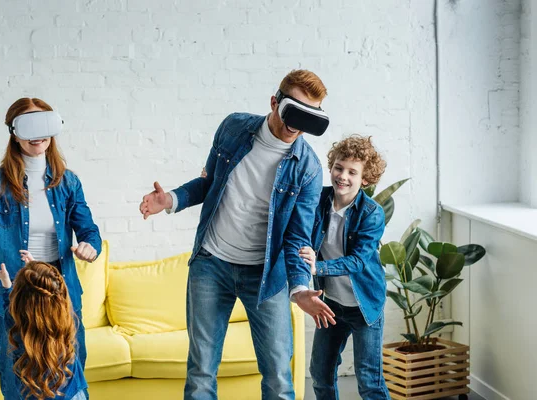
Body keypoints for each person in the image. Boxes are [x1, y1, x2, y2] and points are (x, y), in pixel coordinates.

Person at [140, 69, 336, 400]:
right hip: (211, 264)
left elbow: (297, 239)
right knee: (201, 369)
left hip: (266, 274)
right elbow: (208, 183)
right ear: (274, 103)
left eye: (308, 117)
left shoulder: (308, 169)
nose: (296, 125)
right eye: (293, 112)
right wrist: (170, 200)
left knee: (277, 374)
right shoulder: (234, 128)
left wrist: (301, 287)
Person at [0, 97, 101, 399]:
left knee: (70, 369)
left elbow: (89, 231)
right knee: (16, 373)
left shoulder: (68, 182)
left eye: (43, 124)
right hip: (16, 292)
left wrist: (89, 246)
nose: (38, 135)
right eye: (28, 126)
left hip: (60, 289)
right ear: (14, 132)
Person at [299, 135, 390, 399]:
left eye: (352, 172)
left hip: (365, 306)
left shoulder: (371, 213)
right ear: (331, 167)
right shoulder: (317, 200)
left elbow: (358, 261)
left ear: (365, 179)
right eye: (339, 167)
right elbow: (286, 202)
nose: (343, 176)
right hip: (332, 305)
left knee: (369, 381)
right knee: (320, 373)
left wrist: (318, 268)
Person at [0, 255, 88, 400]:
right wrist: (38, 270)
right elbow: (54, 297)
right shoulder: (66, 324)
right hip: (73, 395)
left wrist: (6, 285)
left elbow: (10, 311)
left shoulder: (19, 333)